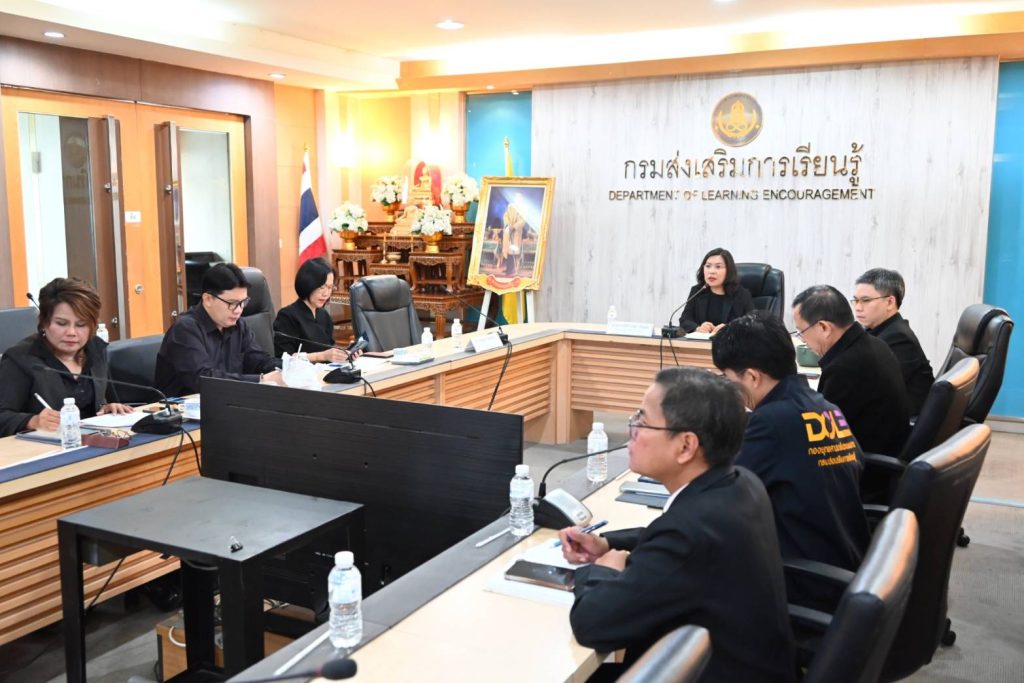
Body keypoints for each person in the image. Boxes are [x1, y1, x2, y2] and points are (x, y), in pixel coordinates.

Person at [561, 367, 795, 682]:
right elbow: (673, 539)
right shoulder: (740, 483)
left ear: (686, 446)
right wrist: (607, 543)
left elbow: (592, 625)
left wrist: (603, 570)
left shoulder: (688, 533)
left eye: (643, 422)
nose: (632, 430)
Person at [712, 312, 870, 606]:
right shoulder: (824, 406)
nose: (726, 386)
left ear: (753, 377)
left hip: (804, 584)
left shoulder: (772, 422)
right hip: (846, 564)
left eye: (728, 378)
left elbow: (719, 497)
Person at [0, 278, 134, 437]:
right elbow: (3, 416)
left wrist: (108, 407)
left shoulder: (95, 349)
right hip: (43, 447)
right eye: (62, 323)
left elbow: (101, 400)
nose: (71, 332)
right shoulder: (21, 359)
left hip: (94, 442)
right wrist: (32, 421)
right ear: (44, 323)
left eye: (81, 325)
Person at [792, 285, 910, 455]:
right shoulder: (874, 343)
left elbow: (821, 433)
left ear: (824, 328)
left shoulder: (846, 367)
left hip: (864, 463)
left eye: (801, 331)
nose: (802, 339)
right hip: (883, 448)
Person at [155, 263, 282, 396]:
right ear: (208, 299)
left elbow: (258, 361)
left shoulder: (238, 326)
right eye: (232, 303)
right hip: (183, 406)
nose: (239, 310)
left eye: (243, 302)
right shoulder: (185, 329)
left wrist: (289, 367)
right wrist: (261, 380)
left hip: (225, 400)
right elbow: (203, 379)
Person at [853, 268, 935, 415]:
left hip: (897, 422)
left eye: (865, 300)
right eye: (855, 300)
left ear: (890, 302)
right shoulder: (877, 330)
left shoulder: (899, 338)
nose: (858, 308)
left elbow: (871, 389)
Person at [274, 258, 352, 362]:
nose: (326, 293)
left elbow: (330, 349)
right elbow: (284, 358)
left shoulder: (324, 315)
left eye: (330, 287)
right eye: (322, 287)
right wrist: (321, 356)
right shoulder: (287, 316)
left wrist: (346, 353)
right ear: (308, 284)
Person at [679, 247, 754, 334]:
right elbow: (684, 319)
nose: (711, 271)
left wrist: (730, 328)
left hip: (729, 342)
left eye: (718, 267)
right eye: (708, 266)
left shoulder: (741, 294)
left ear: (729, 271)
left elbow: (752, 324)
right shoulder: (697, 291)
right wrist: (698, 328)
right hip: (702, 341)